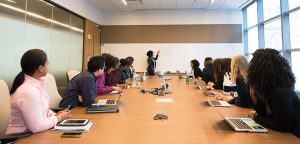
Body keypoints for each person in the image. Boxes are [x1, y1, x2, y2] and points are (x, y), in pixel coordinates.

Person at [6, 49, 70, 134]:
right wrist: (58, 118)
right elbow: (37, 126)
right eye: (47, 64)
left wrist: (55, 114)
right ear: (41, 68)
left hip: (32, 135)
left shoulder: (35, 86)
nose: (48, 66)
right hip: (20, 138)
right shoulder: (28, 91)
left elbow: (41, 109)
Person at [247, 48, 300, 138]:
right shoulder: (270, 90)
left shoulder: (281, 92)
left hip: (294, 137)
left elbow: (282, 126)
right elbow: (265, 114)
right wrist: (253, 94)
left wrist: (256, 117)